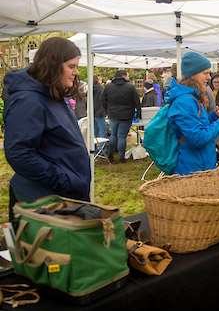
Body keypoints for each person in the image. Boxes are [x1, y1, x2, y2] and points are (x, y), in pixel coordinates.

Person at [3, 37, 91, 221]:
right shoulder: (28, 101)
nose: (76, 72)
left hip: (62, 195)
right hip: (41, 200)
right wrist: (62, 180)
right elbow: (19, 153)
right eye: (71, 66)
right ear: (52, 65)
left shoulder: (53, 94)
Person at [165, 51, 219, 175]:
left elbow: (196, 124)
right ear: (192, 74)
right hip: (191, 169)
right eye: (205, 73)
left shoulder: (191, 98)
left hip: (200, 164)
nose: (209, 77)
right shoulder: (184, 101)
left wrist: (214, 116)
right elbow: (197, 138)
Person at [101, 69, 141, 163]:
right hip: (126, 115)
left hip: (113, 114)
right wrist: (138, 114)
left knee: (113, 135)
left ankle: (110, 154)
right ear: (124, 76)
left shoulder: (108, 86)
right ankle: (121, 157)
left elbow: (102, 99)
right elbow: (137, 101)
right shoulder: (130, 87)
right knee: (122, 136)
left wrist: (107, 110)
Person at [93, 74, 108, 152]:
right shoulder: (101, 89)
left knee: (94, 133)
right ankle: (102, 150)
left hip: (92, 112)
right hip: (100, 112)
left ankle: (94, 149)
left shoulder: (90, 89)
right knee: (102, 132)